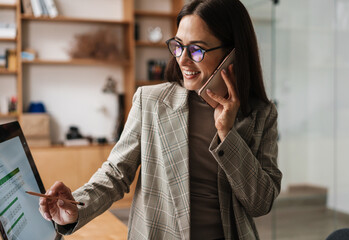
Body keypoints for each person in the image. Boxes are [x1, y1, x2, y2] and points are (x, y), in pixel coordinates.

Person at [39, 0, 282, 239]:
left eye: (196, 50)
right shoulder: (151, 101)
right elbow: (116, 173)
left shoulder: (262, 114)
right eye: (178, 46)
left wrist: (227, 134)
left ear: (232, 53)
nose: (183, 60)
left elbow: (261, 203)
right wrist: (76, 207)